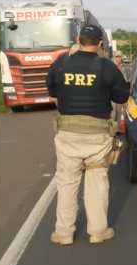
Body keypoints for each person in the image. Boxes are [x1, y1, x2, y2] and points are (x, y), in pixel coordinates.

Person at [46, 24, 130, 245]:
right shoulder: (107, 67)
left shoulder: (62, 63)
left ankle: (64, 233)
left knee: (67, 182)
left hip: (68, 133)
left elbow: (52, 90)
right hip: (97, 134)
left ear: (78, 39)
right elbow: (122, 96)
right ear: (100, 43)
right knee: (97, 183)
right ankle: (98, 231)